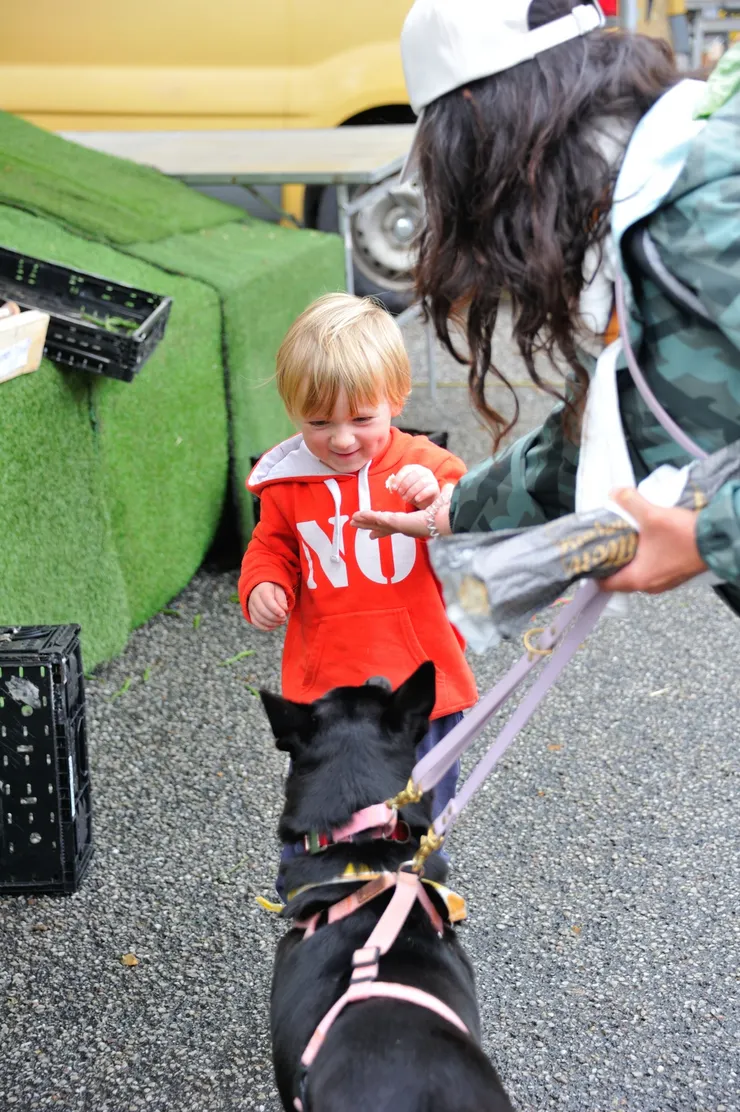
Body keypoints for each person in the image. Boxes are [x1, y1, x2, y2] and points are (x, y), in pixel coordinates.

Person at [351, 0, 740, 607]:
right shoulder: (642, 196)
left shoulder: (709, 212)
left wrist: (709, 537)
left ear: (492, 129)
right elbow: (606, 422)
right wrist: (454, 508)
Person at [239, 293, 478, 893]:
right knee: (326, 813)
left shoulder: (427, 465)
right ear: (294, 412)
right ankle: (317, 907)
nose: (342, 439)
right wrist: (264, 583)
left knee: (414, 819)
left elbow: (471, 525)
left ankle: (410, 907)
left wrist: (435, 498)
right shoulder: (287, 484)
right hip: (329, 695)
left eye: (361, 419)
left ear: (396, 399)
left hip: (420, 684)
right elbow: (273, 547)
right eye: (319, 422)